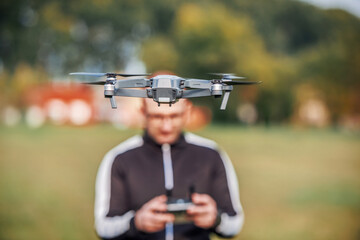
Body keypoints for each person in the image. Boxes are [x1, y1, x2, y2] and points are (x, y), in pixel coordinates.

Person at [94, 98, 244, 240]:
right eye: (157, 116)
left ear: (187, 110)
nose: (166, 126)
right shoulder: (119, 158)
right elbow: (103, 227)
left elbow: (235, 222)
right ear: (143, 111)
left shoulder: (212, 154)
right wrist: (135, 222)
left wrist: (215, 219)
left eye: (174, 116)